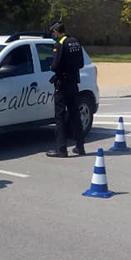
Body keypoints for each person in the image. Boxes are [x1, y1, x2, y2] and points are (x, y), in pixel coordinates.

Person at [46, 21, 86, 158]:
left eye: (53, 33)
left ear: (57, 31)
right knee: (75, 115)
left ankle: (61, 149)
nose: (53, 35)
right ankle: (80, 146)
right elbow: (81, 63)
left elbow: (55, 66)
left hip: (62, 84)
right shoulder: (75, 41)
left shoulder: (60, 44)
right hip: (73, 83)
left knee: (60, 117)